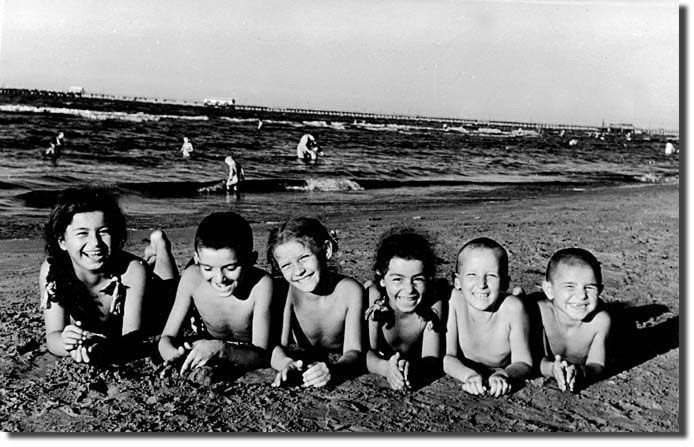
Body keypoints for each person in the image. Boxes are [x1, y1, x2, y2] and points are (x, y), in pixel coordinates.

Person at [39, 187, 178, 364]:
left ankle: (161, 247)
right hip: (116, 315)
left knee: (169, 287)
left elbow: (131, 339)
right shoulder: (53, 271)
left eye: (103, 231)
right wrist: (68, 345)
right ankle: (152, 256)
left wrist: (100, 348)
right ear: (62, 241)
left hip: (155, 303)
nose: (95, 243)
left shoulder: (132, 272)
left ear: (116, 233)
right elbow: (53, 337)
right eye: (82, 233)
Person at [158, 212, 273, 375]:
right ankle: (160, 247)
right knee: (165, 287)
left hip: (237, 347)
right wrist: (174, 355)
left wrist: (222, 350)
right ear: (197, 259)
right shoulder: (192, 278)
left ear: (251, 259)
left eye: (231, 268)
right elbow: (166, 338)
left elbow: (263, 355)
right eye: (208, 268)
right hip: (201, 328)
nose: (220, 278)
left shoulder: (261, 285)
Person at [267, 217, 364, 388]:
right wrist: (286, 364)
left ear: (326, 250)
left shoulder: (350, 291)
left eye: (304, 257)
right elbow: (276, 347)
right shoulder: (287, 292)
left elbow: (354, 351)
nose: (298, 270)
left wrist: (334, 370)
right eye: (286, 265)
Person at [444, 237, 533, 397]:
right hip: (471, 367)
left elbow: (524, 362)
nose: (481, 284)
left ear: (505, 282)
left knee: (526, 304)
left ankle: (521, 295)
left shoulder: (513, 309)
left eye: (491, 275)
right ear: (457, 281)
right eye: (472, 275)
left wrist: (505, 374)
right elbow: (448, 357)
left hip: (517, 306)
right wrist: (468, 376)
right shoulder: (455, 301)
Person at [364, 228, 444, 390]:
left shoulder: (433, 304)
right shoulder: (375, 299)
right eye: (397, 279)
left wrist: (413, 369)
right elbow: (366, 352)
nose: (409, 289)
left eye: (417, 279)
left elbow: (431, 357)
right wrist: (386, 368)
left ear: (428, 278)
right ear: (382, 279)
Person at [533, 247, 611, 392]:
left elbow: (598, 365)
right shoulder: (541, 314)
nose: (582, 295)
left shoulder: (600, 322)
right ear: (549, 290)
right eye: (570, 286)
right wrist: (551, 369)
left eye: (589, 287)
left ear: (600, 290)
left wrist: (582, 371)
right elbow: (533, 359)